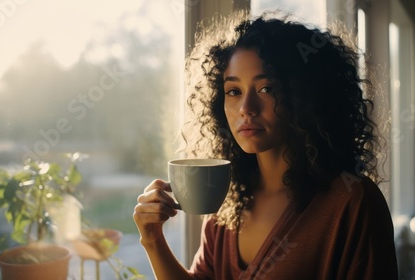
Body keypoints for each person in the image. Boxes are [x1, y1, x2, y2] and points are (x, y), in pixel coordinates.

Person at [133, 11, 398, 280]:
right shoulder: (227, 199)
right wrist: (153, 240)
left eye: (267, 88)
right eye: (233, 91)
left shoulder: (352, 201)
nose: (246, 109)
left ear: (306, 96)